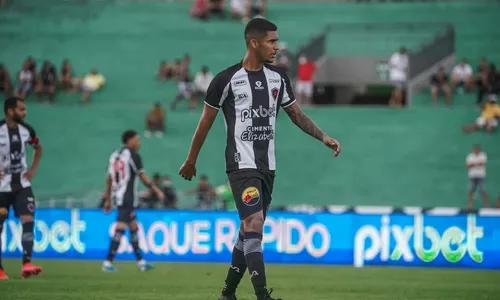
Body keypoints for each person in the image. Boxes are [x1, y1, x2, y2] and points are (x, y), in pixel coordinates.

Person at [178, 18, 341, 300]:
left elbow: (296, 115)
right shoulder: (225, 80)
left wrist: (323, 137)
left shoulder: (278, 78)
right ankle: (262, 296)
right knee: (253, 224)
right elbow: (205, 122)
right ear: (254, 42)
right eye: (272, 41)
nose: (277, 47)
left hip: (268, 167)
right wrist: (191, 159)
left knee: (248, 231)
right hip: (241, 164)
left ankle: (227, 294)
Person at [102, 130, 164, 272]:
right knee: (120, 228)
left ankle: (141, 262)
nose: (139, 143)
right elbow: (142, 177)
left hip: (118, 196)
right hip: (127, 197)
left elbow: (109, 178)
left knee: (134, 227)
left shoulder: (114, 156)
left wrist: (108, 198)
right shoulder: (133, 156)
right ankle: (108, 262)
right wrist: (157, 190)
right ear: (129, 140)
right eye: (137, 139)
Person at [0, 96, 43, 280]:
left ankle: (26, 263)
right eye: (21, 109)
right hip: (1, 187)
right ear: (10, 111)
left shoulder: (27, 130)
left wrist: (33, 169)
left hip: (22, 185)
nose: (24, 113)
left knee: (28, 220)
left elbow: (38, 148)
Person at [465, 144, 489, 209]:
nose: (476, 150)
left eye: (477, 149)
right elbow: (468, 166)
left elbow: (483, 163)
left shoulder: (483, 155)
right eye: (475, 149)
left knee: (483, 190)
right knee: (470, 190)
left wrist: (473, 164)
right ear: (473, 149)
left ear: (479, 149)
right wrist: (477, 164)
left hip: (481, 176)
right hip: (472, 176)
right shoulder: (469, 156)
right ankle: (470, 205)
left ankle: (486, 205)